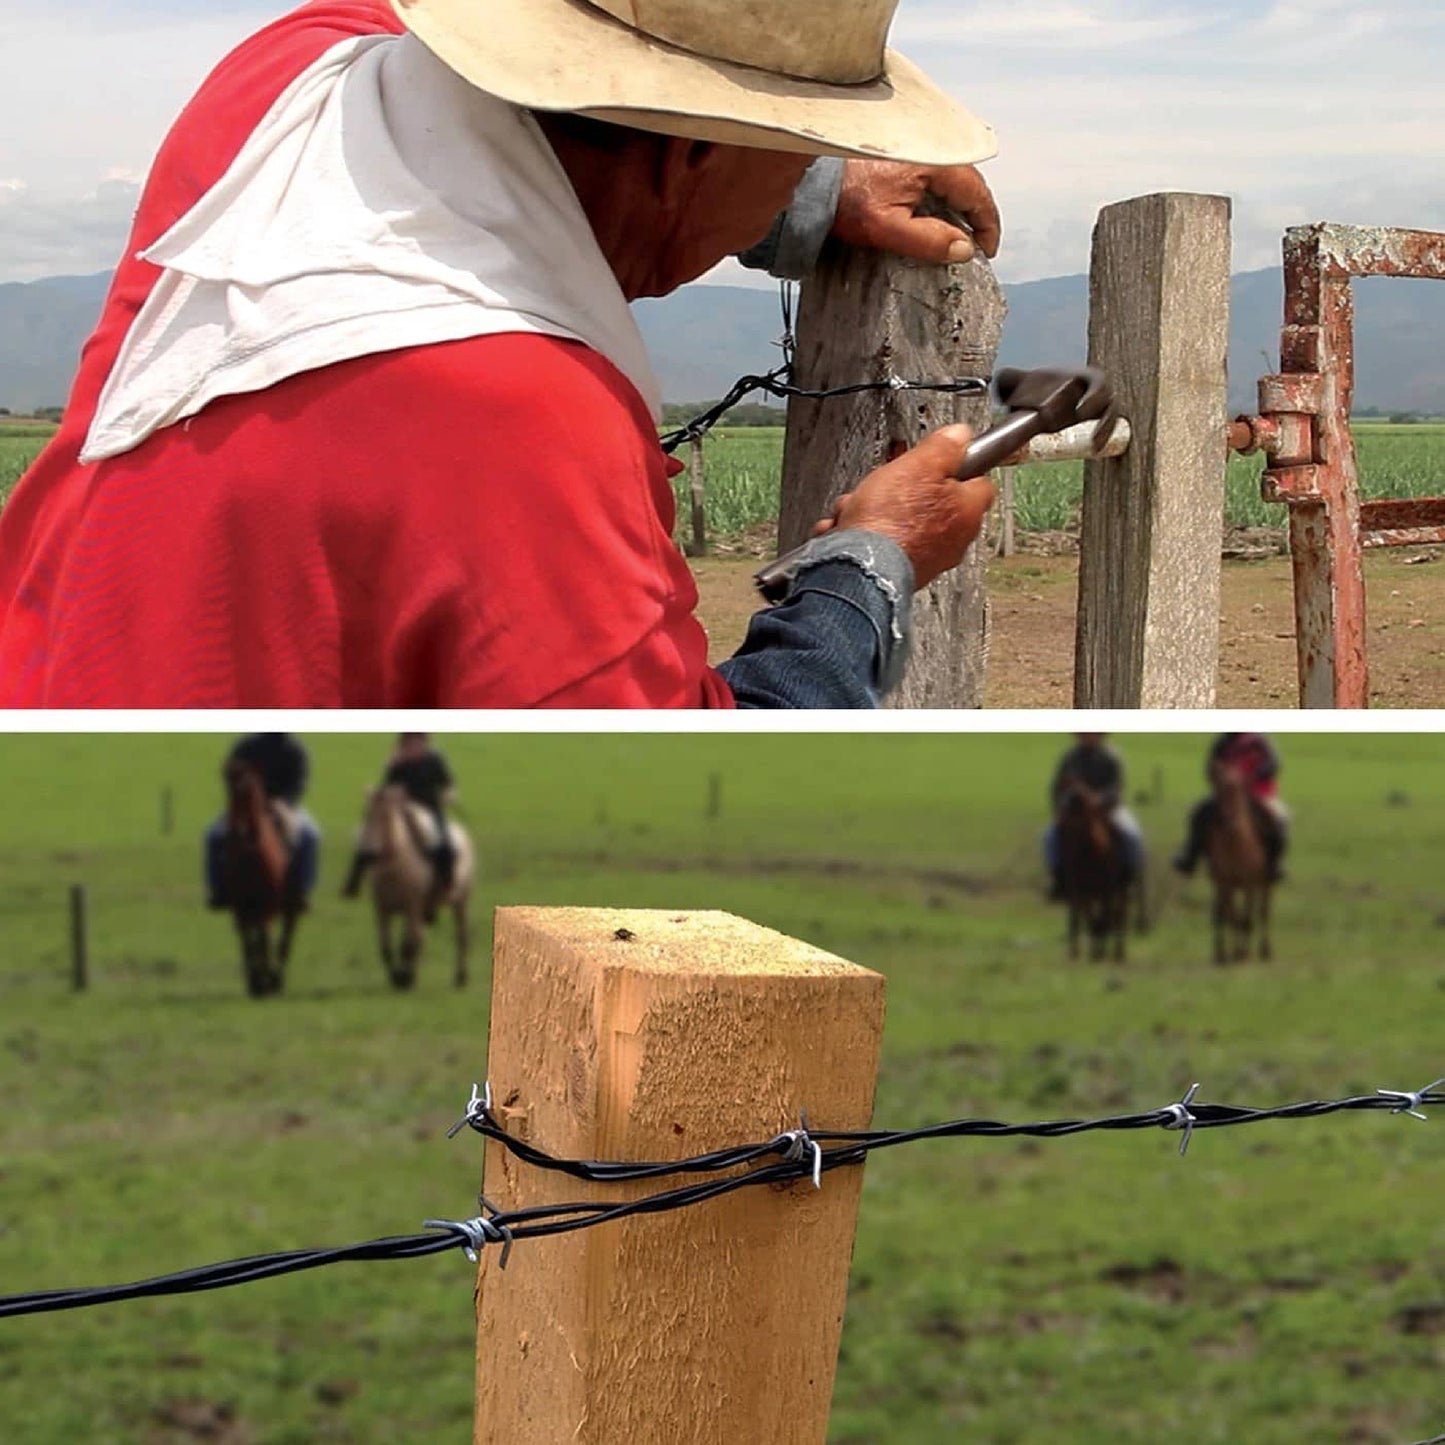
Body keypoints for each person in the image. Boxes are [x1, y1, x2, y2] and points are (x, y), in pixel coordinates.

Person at [0, 0, 1004, 709]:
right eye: (799, 142)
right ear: (693, 149)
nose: (808, 165)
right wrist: (868, 561)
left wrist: (811, 196)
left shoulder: (291, 77)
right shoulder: (526, 434)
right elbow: (669, 816)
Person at [205, 734, 321, 907]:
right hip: (247, 806)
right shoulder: (246, 746)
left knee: (311, 836)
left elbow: (300, 782)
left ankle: (302, 891)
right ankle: (219, 890)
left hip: (284, 806)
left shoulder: (294, 748)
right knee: (213, 835)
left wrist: (283, 802)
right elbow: (230, 772)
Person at [343, 733, 457, 899]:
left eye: (417, 742)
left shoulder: (434, 760)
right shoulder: (397, 762)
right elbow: (387, 786)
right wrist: (379, 791)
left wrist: (449, 794)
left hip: (428, 807)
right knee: (368, 834)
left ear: (425, 743)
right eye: (409, 743)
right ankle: (354, 881)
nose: (413, 747)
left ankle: (446, 883)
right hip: (400, 808)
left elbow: (448, 784)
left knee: (442, 839)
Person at [1174, 734, 1289, 881]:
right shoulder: (1223, 741)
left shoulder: (1260, 741)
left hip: (1258, 793)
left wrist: (1257, 774)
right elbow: (1210, 766)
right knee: (1198, 812)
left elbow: (1274, 763)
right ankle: (1189, 858)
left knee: (1280, 818)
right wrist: (1221, 778)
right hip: (1228, 794)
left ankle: (1275, 865)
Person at [1044, 734, 1144, 900]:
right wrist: (1060, 808)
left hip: (1109, 810)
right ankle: (1059, 879)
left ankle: (1128, 878)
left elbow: (1117, 788)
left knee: (1132, 836)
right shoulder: (1070, 759)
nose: (1088, 736)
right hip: (1076, 811)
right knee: (1049, 837)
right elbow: (1057, 788)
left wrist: (1099, 799)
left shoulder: (1111, 757)